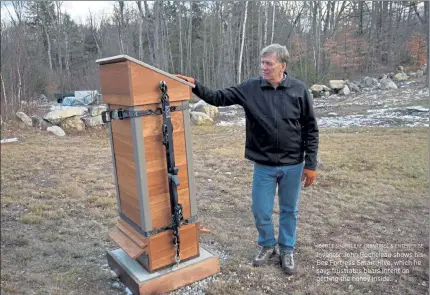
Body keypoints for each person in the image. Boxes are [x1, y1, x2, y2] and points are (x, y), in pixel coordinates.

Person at [176, 43, 318, 275]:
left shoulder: (299, 90)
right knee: (261, 209)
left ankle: (286, 249)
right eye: (262, 63)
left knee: (288, 210)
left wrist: (311, 164)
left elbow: (311, 128)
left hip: (293, 164)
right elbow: (218, 97)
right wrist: (195, 85)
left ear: (282, 66)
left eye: (268, 63)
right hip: (264, 164)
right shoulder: (251, 88)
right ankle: (267, 244)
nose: (264, 67)